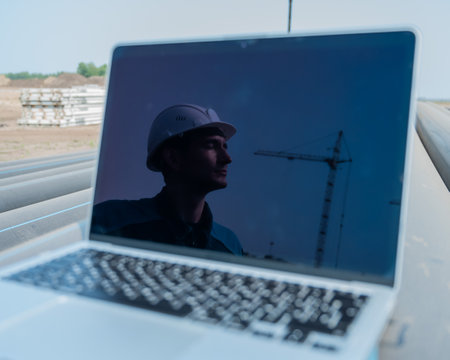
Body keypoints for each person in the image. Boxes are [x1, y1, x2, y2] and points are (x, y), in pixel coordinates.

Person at [92, 104, 243, 255]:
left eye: (225, 146)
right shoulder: (109, 222)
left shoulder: (230, 245)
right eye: (211, 145)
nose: (227, 159)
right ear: (173, 158)